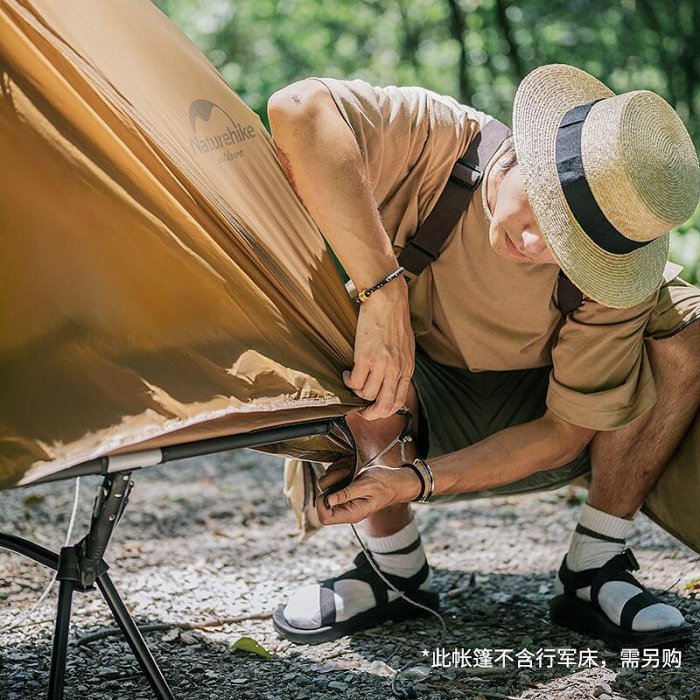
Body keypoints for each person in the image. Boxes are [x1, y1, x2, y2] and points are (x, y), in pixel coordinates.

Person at [265, 64, 700, 649]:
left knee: (687, 320)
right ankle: (392, 569)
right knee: (337, 318)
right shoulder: (437, 139)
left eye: (572, 248)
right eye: (547, 211)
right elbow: (297, 106)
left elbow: (564, 430)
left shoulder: (614, 275)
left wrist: (416, 482)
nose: (533, 246)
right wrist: (382, 289)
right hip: (404, 405)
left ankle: (595, 564)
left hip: (543, 429)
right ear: (527, 152)